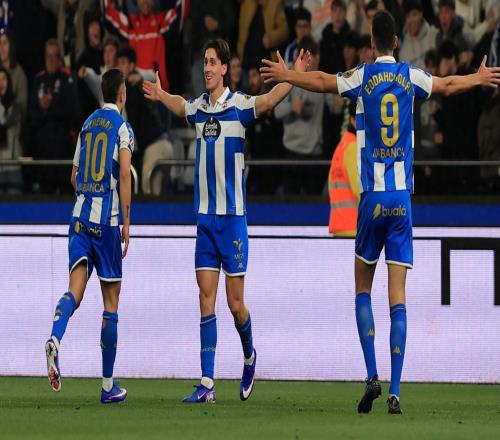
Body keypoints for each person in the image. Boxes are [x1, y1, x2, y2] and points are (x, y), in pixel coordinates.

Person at [260, 9, 500, 414]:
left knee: (362, 290)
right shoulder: (410, 76)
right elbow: (447, 85)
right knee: (398, 296)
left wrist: (287, 75)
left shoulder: (363, 76)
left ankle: (371, 373)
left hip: (372, 200)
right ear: (397, 42)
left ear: (372, 43)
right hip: (402, 200)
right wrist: (477, 79)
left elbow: (322, 82)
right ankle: (395, 390)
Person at [143, 37, 308, 403]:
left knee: (235, 305)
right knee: (206, 300)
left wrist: (293, 77)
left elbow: (269, 100)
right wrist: (162, 94)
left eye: (212, 62)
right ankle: (207, 383)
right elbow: (179, 105)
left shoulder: (239, 106)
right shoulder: (199, 108)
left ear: (224, 68)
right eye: (204, 61)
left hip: (233, 221)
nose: (206, 68)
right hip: (205, 221)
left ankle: (249, 355)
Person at [45, 68, 134, 404]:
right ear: (122, 95)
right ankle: (108, 385)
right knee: (110, 303)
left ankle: (55, 338)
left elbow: (73, 176)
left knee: (74, 291)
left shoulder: (86, 125)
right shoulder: (122, 128)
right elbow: (124, 173)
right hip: (106, 224)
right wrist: (126, 221)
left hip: (79, 220)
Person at [328, 100, 358, 236]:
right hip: (355, 227)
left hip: (342, 226)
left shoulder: (343, 146)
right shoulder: (353, 147)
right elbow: (361, 190)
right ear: (353, 120)